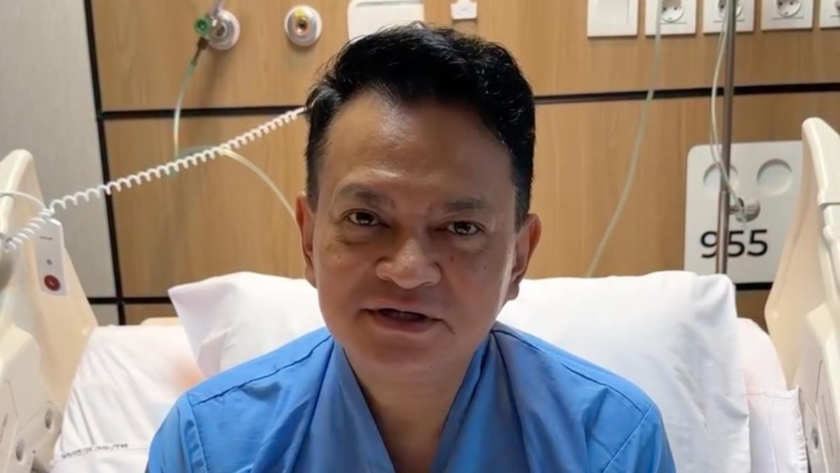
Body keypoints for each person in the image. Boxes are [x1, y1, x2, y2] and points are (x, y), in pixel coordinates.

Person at [147, 25, 676, 473]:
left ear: (518, 259)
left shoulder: (610, 446)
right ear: (309, 239)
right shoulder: (207, 449)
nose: (407, 270)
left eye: (461, 227)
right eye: (365, 219)